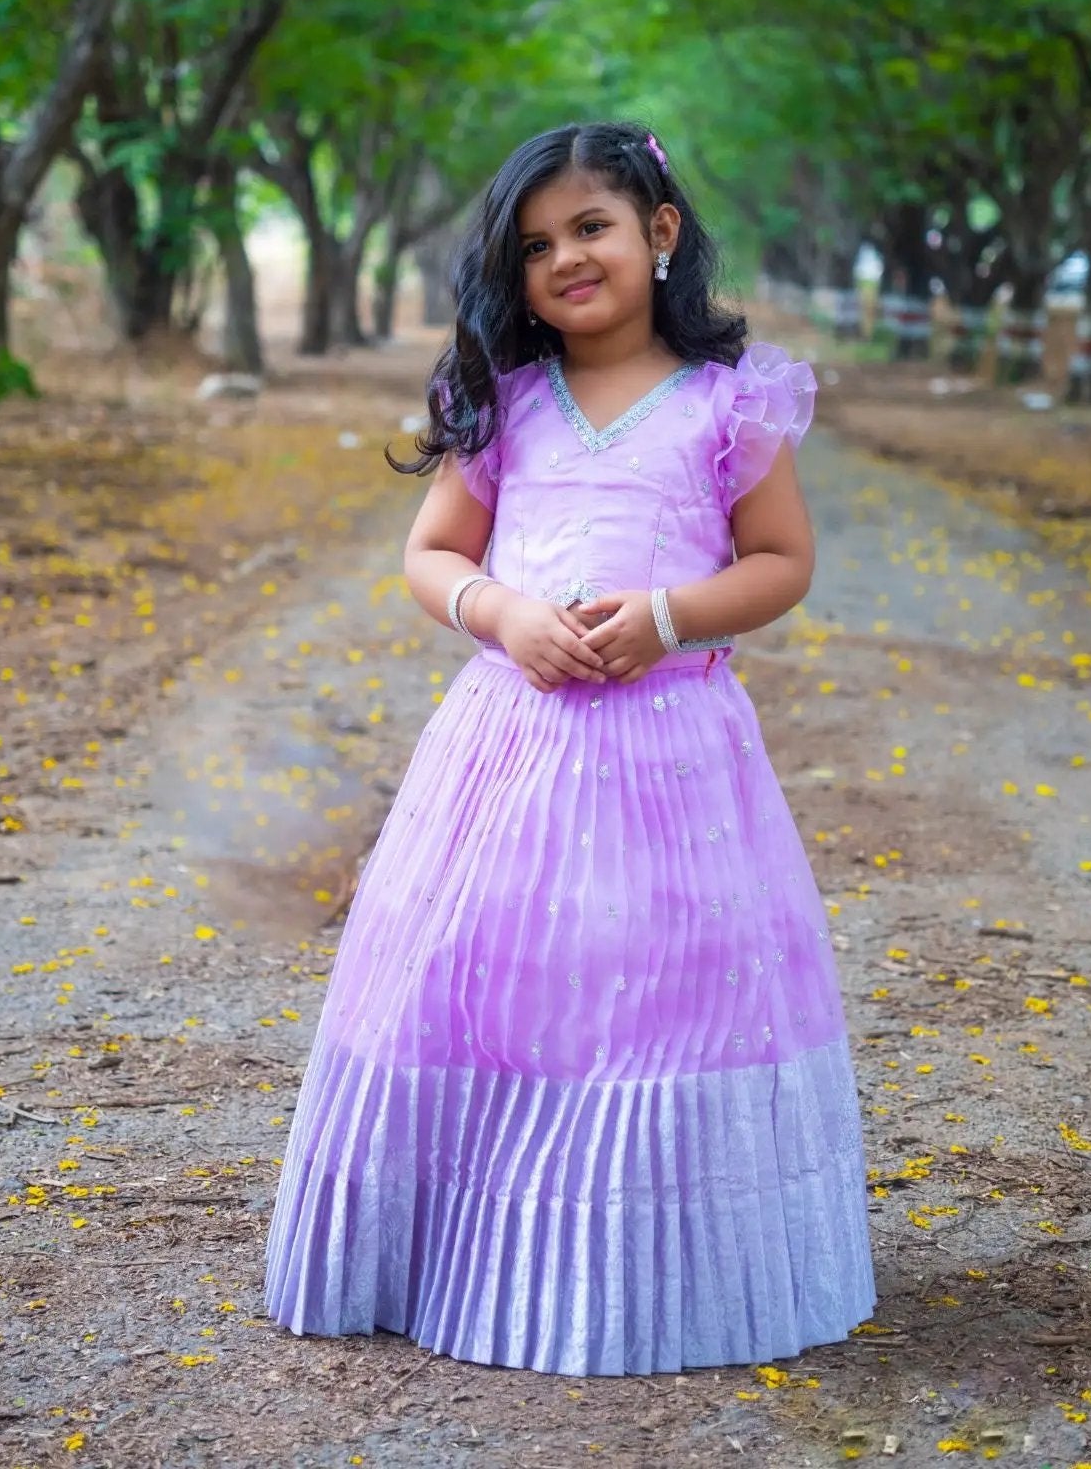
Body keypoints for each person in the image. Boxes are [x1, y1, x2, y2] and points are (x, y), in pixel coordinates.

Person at [264, 120, 875, 1376]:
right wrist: (501, 613)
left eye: (590, 227)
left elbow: (781, 564)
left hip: (676, 752)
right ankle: (469, 1232)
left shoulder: (730, 399)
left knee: (656, 986)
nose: (565, 259)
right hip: (512, 746)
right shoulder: (506, 402)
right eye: (536, 245)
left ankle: (652, 1253)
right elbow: (432, 554)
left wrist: (666, 618)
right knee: (492, 974)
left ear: (660, 232)